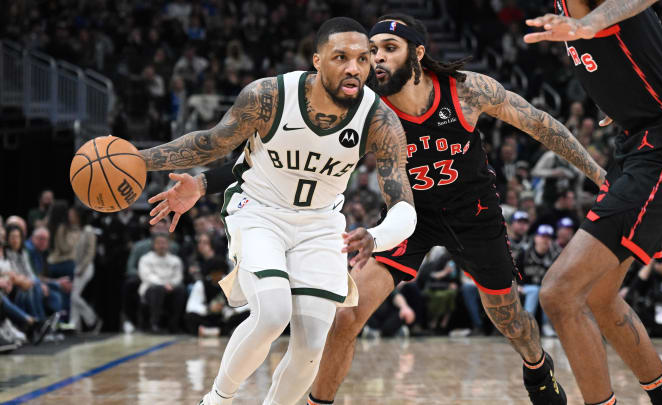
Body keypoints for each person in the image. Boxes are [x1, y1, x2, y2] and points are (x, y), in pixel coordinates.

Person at [154, 13, 607, 405]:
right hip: (408, 216)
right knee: (345, 317)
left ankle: (536, 364)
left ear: (418, 53)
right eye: (372, 51)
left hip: (473, 213)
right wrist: (204, 182)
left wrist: (597, 174)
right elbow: (269, 156)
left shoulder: (467, 91)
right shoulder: (365, 106)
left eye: (389, 48)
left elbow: (541, 124)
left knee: (508, 315)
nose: (376, 59)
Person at [139, 17, 416, 405]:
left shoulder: (380, 120)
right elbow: (211, 143)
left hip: (320, 223)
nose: (354, 67)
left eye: (362, 58)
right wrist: (138, 161)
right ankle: (217, 400)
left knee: (311, 346)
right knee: (272, 313)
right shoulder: (270, 96)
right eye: (341, 57)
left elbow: (405, 208)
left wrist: (376, 236)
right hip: (259, 211)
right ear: (317, 60)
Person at [524, 1, 662, 404]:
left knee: (559, 293)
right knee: (598, 294)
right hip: (639, 142)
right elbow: (655, 54)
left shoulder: (591, 11)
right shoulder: (566, 11)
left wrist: (588, 24)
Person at [138, 233, 185, 333]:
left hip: (170, 288)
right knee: (157, 290)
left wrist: (171, 284)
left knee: (180, 290)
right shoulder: (145, 259)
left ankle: (174, 324)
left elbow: (178, 277)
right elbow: (147, 276)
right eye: (159, 243)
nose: (161, 246)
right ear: (154, 245)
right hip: (150, 289)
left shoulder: (175, 260)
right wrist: (163, 285)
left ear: (168, 244)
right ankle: (154, 324)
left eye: (164, 243)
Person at [69, 206, 101, 332]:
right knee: (74, 296)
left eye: (71, 214)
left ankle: (93, 319)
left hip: (86, 267)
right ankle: (75, 326)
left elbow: (90, 252)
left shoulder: (88, 230)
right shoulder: (73, 230)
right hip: (76, 267)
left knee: (74, 296)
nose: (69, 216)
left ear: (78, 215)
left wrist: (82, 267)